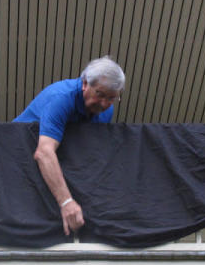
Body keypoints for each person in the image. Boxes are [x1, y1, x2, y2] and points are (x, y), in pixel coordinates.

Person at [14, 56, 125, 235]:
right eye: (100, 94)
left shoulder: (106, 111)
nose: (105, 104)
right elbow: (44, 152)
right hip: (17, 159)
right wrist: (66, 202)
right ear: (84, 84)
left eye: (112, 98)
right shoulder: (61, 98)